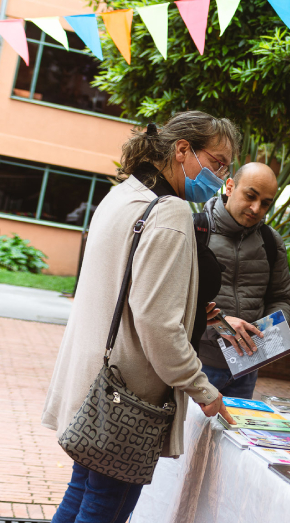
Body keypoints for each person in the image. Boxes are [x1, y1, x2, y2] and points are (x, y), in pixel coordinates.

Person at [42, 111, 240, 523]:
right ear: (182, 150)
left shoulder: (124, 194)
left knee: (81, 494)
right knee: (104, 509)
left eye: (226, 168)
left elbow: (127, 289)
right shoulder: (170, 212)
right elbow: (158, 324)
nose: (220, 177)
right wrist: (202, 388)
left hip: (95, 385)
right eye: (217, 162)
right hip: (128, 399)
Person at [197, 161, 290, 399]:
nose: (256, 208)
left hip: (246, 372)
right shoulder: (194, 230)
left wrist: (269, 336)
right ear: (229, 187)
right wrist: (222, 325)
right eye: (250, 196)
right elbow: (174, 300)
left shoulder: (271, 242)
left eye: (266, 203)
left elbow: (280, 297)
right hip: (197, 367)